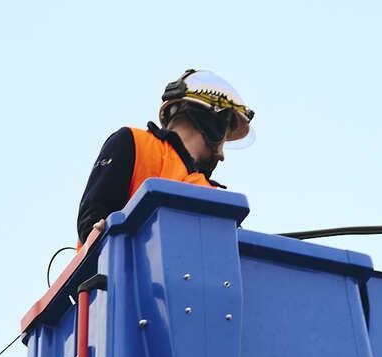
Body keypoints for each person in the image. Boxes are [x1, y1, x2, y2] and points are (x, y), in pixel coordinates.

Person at [74, 70, 255, 239]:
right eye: (225, 133)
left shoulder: (210, 192)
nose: (222, 155)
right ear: (214, 123)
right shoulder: (134, 142)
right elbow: (92, 220)